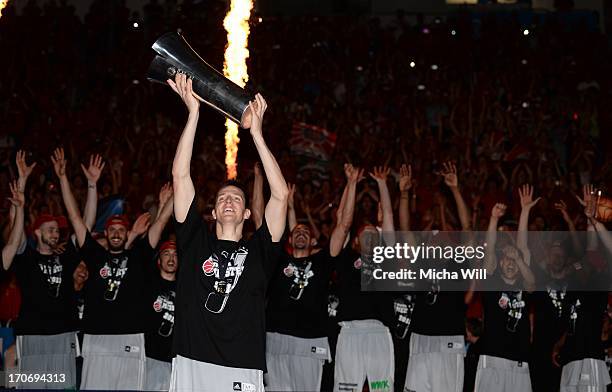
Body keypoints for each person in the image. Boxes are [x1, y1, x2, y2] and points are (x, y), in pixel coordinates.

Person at [169, 73, 289, 392]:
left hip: (242, 366)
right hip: (192, 363)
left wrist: (258, 136)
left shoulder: (259, 253)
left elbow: (281, 196)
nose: (229, 201)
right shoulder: (195, 242)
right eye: (222, 198)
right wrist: (193, 114)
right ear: (213, 212)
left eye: (236, 198)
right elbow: (180, 177)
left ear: (248, 214)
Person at [52, 147, 173, 390]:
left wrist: (177, 189)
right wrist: (65, 178)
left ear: (128, 233)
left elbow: (160, 223)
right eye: (112, 229)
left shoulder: (139, 255)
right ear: (106, 234)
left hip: (132, 338)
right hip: (96, 338)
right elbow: (76, 218)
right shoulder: (95, 256)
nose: (116, 233)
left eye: (121, 229)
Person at [1, 151, 103, 389]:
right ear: (37, 232)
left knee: (63, 387)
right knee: (31, 386)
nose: (55, 233)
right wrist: (22, 187)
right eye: (50, 229)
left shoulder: (66, 256)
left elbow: (85, 224)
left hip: (63, 335)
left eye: (57, 230)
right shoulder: (26, 257)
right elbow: (13, 233)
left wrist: (89, 185)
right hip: (32, 336)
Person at [264, 164, 360, 391]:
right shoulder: (280, 261)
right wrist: (288, 205)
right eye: (297, 231)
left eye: (306, 232)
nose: (301, 233)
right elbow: (270, 221)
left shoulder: (322, 261)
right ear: (290, 238)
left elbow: (344, 225)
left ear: (313, 243)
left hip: (310, 341)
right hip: (275, 339)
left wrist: (352, 184)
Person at [404, 162, 472, 392]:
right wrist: (404, 195)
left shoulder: (458, 263)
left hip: (449, 337)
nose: (440, 240)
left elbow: (468, 228)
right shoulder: (422, 260)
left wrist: (455, 190)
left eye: (446, 238)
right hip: (420, 337)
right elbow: (405, 231)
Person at [333, 166, 395, 392]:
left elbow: (388, 216)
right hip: (349, 331)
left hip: (379, 332)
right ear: (356, 241)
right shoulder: (346, 257)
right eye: (365, 233)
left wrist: (381, 184)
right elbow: (343, 221)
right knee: (345, 389)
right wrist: (351, 184)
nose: (371, 235)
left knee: (381, 389)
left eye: (374, 233)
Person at [475, 185, 538, 392]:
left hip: (520, 359)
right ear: (499, 264)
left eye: (514, 261)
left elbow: (531, 279)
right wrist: (493, 220)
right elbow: (490, 250)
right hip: (491, 358)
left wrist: (525, 211)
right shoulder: (492, 282)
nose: (510, 263)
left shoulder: (524, 281)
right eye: (506, 260)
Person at [552, 189, 611, 392]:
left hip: (590, 357)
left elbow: (602, 245)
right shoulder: (575, 283)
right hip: (570, 357)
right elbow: (572, 319)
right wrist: (560, 342)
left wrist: (592, 220)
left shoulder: (600, 279)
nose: (587, 258)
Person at [144, 240, 177, 392]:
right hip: (150, 357)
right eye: (166, 254)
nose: (171, 258)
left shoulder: (187, 288)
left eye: (176, 254)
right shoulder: (148, 285)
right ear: (159, 261)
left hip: (176, 360)